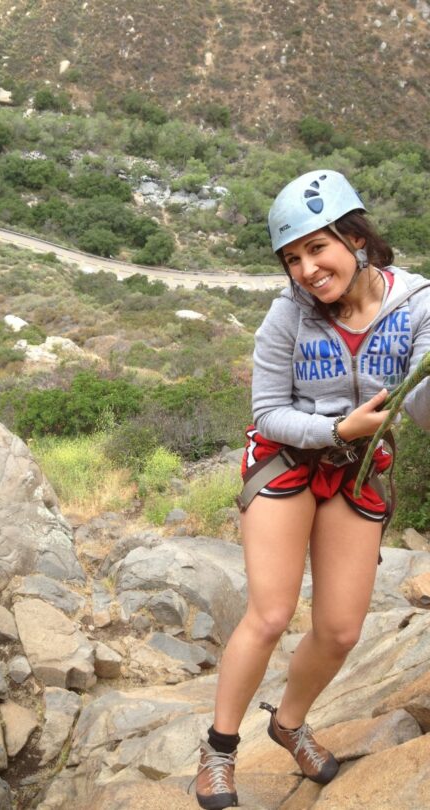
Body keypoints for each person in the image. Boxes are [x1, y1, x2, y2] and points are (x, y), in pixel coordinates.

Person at [194, 170, 430, 809]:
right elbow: (268, 412)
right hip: (288, 455)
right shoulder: (286, 316)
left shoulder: (417, 305)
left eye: (317, 249)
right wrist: (334, 428)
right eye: (292, 258)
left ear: (357, 240)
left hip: (356, 463)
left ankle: (289, 724)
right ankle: (218, 751)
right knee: (271, 613)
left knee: (340, 630)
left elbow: (423, 410)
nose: (306, 270)